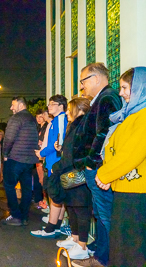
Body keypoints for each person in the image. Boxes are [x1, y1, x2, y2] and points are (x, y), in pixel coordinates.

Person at [71, 63, 122, 267]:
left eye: (83, 81)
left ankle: (108, 259)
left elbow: (106, 133)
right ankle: (101, 255)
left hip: (98, 168)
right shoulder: (101, 98)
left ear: (96, 78)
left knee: (105, 215)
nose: (82, 86)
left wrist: (91, 162)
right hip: (95, 168)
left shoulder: (107, 97)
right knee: (101, 215)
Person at [94, 67, 146, 267]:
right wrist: (110, 177)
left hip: (137, 193)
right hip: (125, 189)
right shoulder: (132, 115)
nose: (121, 93)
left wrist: (106, 175)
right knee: (122, 245)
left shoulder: (143, 116)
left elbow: (131, 154)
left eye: (125, 88)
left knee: (131, 247)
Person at [47, 98, 92, 260]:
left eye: (69, 109)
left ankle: (82, 245)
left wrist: (58, 167)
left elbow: (76, 153)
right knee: (72, 207)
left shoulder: (83, 125)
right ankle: (75, 238)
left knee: (80, 209)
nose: (67, 112)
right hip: (70, 173)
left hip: (77, 174)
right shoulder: (74, 125)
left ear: (79, 109)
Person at [32, 95, 68, 238]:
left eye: (52, 104)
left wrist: (41, 152)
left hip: (55, 163)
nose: (49, 106)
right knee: (58, 195)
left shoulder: (59, 119)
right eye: (49, 104)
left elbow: (57, 142)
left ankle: (50, 228)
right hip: (54, 161)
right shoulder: (56, 120)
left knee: (55, 195)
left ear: (61, 106)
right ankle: (56, 225)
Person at [2, 97, 39, 226]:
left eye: (13, 105)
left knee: (9, 185)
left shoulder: (16, 118)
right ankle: (24, 215)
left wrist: (5, 154)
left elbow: (9, 138)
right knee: (27, 188)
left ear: (20, 104)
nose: (11, 108)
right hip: (29, 161)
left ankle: (15, 215)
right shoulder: (32, 119)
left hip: (15, 158)